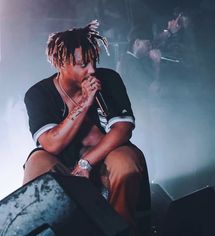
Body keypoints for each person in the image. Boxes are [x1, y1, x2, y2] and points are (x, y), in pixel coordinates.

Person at [23, 20, 150, 235]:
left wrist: (87, 163)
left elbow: (123, 129)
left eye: (93, 62)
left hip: (103, 162)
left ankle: (120, 229)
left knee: (125, 160)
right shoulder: (39, 94)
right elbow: (51, 144)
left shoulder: (109, 79)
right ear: (61, 64)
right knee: (37, 160)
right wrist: (84, 102)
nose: (92, 70)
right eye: (83, 64)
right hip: (65, 168)